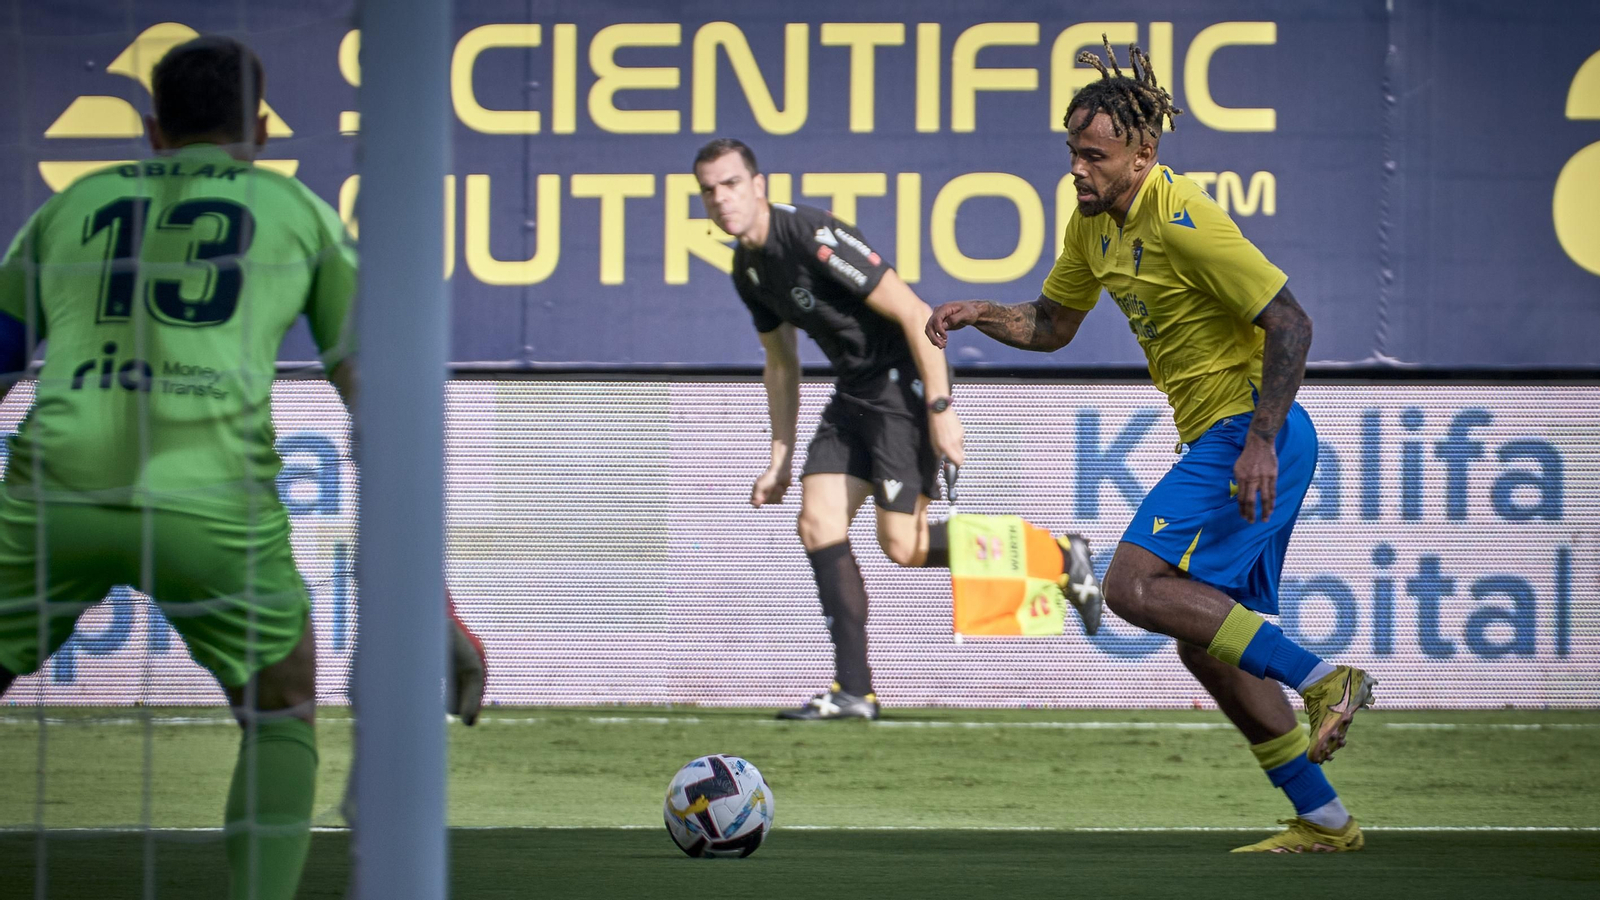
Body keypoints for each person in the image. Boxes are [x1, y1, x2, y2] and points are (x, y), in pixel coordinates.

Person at [0, 36, 483, 899]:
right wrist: (429, 601)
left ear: (152, 131)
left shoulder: (74, 205)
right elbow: (381, 406)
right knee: (282, 704)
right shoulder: (296, 212)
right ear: (260, 129)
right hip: (213, 503)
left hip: (54, 491)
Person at [927, 39, 1377, 852]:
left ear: (1144, 153)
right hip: (1223, 433)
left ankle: (1324, 679)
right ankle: (1325, 819)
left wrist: (1261, 443)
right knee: (1205, 644)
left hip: (1250, 429)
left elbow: (1292, 324)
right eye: (1071, 151)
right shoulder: (1093, 226)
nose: (1077, 168)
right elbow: (1055, 325)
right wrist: (982, 314)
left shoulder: (1183, 219)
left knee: (1132, 587)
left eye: (1094, 155)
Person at [693, 138, 1101, 721]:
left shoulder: (809, 235)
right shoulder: (748, 267)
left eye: (731, 183)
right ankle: (854, 691)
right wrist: (779, 457)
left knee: (902, 546)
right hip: (852, 390)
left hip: (900, 385)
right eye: (710, 189)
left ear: (758, 186)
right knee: (817, 521)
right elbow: (780, 361)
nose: (721, 198)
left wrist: (940, 408)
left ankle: (1058, 557)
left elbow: (915, 313)